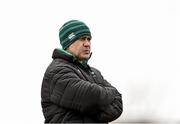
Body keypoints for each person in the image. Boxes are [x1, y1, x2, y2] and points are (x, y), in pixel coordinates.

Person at [41, 20, 123, 123]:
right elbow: (91, 97)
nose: (87, 44)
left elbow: (118, 103)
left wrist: (91, 107)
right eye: (82, 39)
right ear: (68, 42)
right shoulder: (56, 71)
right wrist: (110, 95)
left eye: (89, 39)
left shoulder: (94, 73)